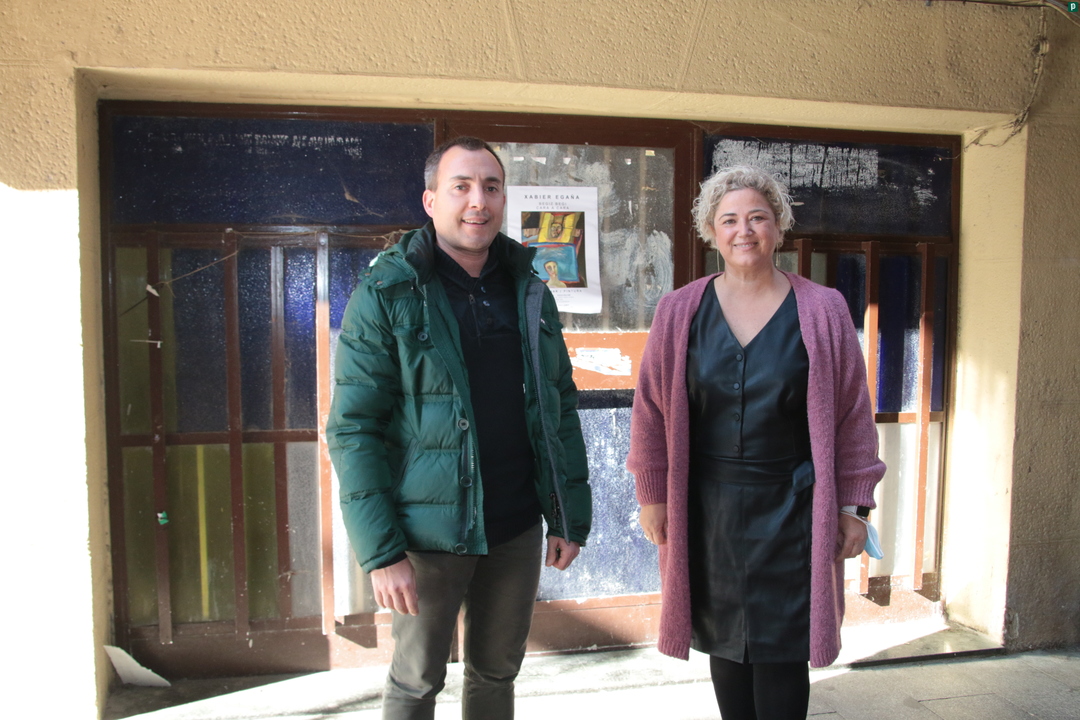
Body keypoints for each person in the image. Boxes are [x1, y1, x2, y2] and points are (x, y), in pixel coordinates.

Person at [327, 136, 591, 720]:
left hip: (514, 527)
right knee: (416, 680)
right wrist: (381, 552)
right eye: (461, 187)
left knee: (497, 673)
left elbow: (559, 406)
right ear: (430, 201)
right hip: (426, 535)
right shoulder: (388, 292)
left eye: (491, 187)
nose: (478, 201)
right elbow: (353, 428)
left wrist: (568, 516)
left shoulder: (528, 289)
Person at [627, 166, 885, 720]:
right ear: (711, 232)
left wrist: (854, 506)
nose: (744, 231)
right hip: (708, 509)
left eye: (758, 218)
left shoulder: (823, 308)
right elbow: (650, 408)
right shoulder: (679, 310)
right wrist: (653, 494)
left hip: (795, 507)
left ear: (778, 227)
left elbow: (852, 415)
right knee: (726, 644)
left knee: (783, 649)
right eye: (729, 220)